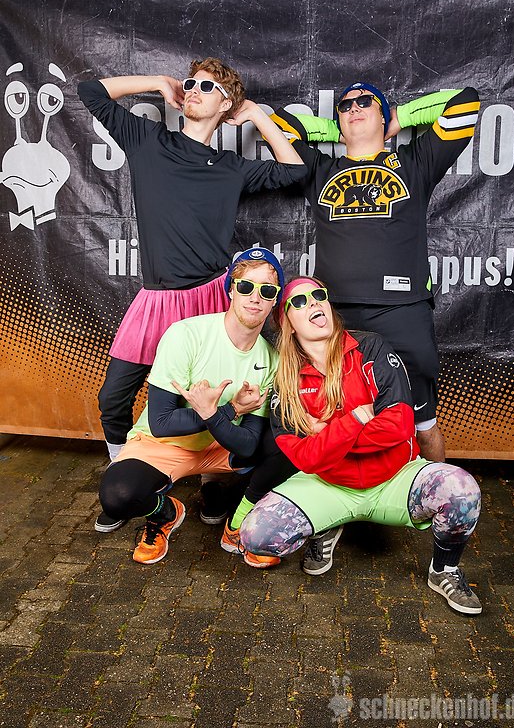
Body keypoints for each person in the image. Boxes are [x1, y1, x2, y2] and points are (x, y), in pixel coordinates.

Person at [78, 58, 306, 531]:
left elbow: (295, 171)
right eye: (191, 83)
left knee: (215, 399)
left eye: (208, 86)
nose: (195, 90)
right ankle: (125, 472)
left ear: (225, 104)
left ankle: (213, 485)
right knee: (113, 399)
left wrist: (256, 114)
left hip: (208, 300)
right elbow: (90, 91)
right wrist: (157, 82)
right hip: (156, 300)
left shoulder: (230, 168)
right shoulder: (148, 140)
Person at [240, 277, 483, 616]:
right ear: (287, 323)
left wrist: (326, 433)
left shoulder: (372, 348)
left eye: (318, 295)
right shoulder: (285, 380)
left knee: (462, 490)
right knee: (256, 536)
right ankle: (326, 525)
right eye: (299, 301)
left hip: (395, 478)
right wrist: (356, 419)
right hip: (328, 484)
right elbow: (305, 458)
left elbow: (398, 426)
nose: (313, 302)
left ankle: (443, 570)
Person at [270, 83, 480, 463]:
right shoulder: (321, 169)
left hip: (403, 311)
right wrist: (339, 129)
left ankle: (438, 490)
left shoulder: (415, 162)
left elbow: (465, 103)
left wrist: (400, 118)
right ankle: (351, 492)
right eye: (345, 106)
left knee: (423, 423)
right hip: (334, 316)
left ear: (384, 115)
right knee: (339, 420)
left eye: (365, 102)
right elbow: (280, 124)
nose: (354, 108)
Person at [99, 247, 293, 566]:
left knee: (288, 440)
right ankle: (164, 513)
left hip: (220, 448)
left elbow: (248, 443)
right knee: (117, 495)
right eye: (246, 286)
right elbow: (161, 422)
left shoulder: (270, 359)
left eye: (267, 291)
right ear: (231, 289)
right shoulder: (186, 335)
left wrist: (215, 415)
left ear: (274, 301)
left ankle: (239, 521)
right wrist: (228, 411)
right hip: (164, 445)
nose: (255, 297)